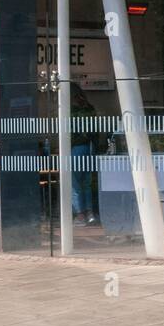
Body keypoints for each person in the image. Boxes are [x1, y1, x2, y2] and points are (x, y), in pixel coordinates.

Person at [69, 83, 100, 226]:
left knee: (74, 183)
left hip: (76, 148)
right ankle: (90, 213)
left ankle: (80, 215)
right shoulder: (89, 107)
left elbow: (67, 131)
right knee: (86, 183)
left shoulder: (70, 109)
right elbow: (96, 130)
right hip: (90, 148)